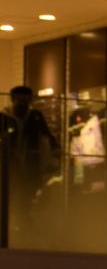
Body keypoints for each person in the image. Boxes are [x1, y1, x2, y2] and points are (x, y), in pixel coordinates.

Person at [2, 85, 59, 226]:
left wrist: (55, 149)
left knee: (25, 193)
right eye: (20, 101)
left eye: (26, 101)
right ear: (13, 100)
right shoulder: (4, 117)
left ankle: (21, 221)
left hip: (29, 163)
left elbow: (46, 133)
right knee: (11, 192)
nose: (24, 105)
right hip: (9, 164)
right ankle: (13, 222)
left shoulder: (35, 116)